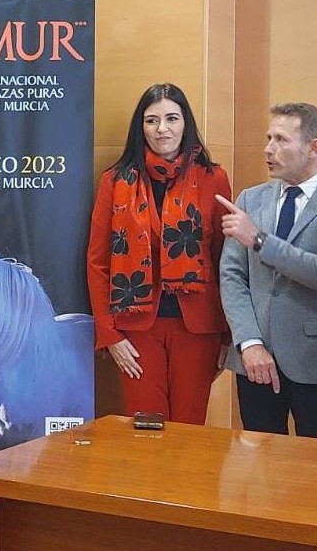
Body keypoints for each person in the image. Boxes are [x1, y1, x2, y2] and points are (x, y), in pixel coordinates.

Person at [86, 83, 232, 424]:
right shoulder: (116, 180)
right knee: (145, 431)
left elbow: (226, 258)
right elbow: (98, 263)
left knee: (188, 430)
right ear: (141, 128)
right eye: (151, 121)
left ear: (186, 124)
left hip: (197, 328)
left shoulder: (213, 178)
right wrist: (110, 335)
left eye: (171, 118)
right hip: (136, 329)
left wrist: (227, 335)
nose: (162, 129)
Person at [217, 103, 317, 439]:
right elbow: (232, 275)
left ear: (313, 148)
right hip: (255, 359)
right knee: (260, 471)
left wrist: (261, 240)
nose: (268, 149)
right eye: (268, 138)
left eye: (280, 139)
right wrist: (248, 342)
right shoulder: (250, 199)